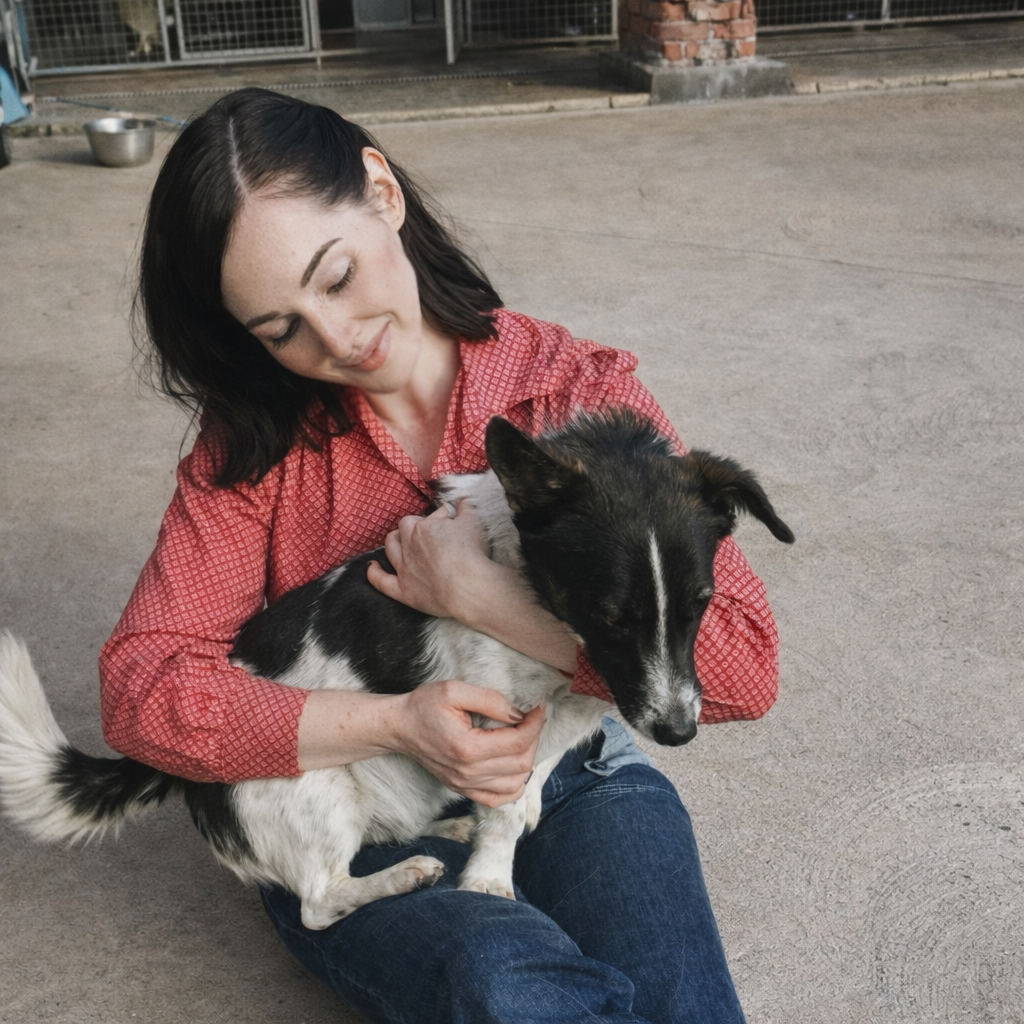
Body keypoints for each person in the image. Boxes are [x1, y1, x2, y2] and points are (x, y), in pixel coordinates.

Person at [101, 87, 781, 1024]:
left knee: (679, 1003)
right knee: (505, 985)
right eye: (280, 329)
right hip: (364, 803)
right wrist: (396, 726)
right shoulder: (252, 455)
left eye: (334, 277)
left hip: (574, 770)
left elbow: (744, 667)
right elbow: (143, 691)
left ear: (381, 191)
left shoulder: (564, 392)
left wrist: (478, 593)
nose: (335, 339)